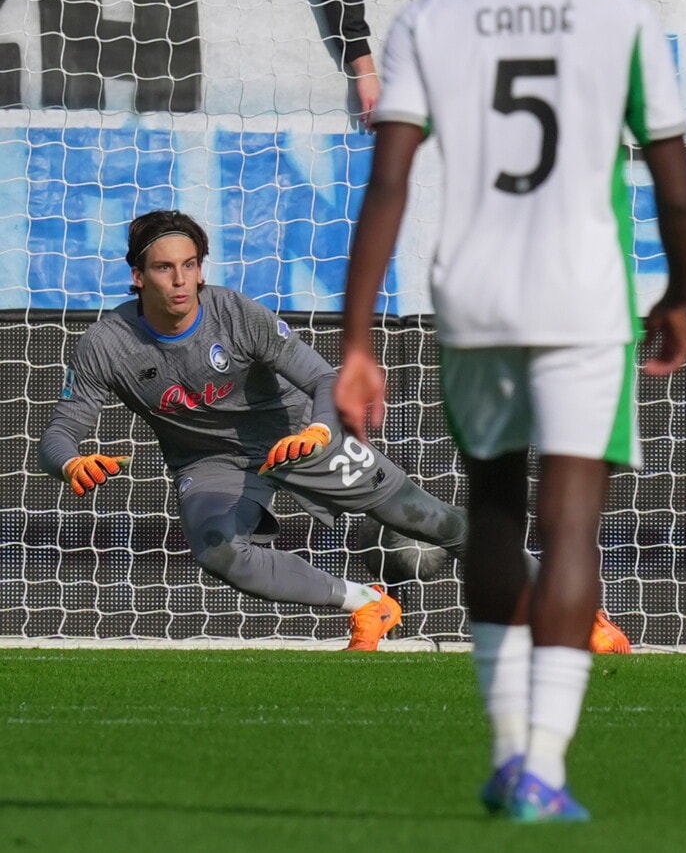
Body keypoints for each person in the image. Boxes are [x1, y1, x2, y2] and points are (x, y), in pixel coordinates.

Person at [337, 0, 686, 823]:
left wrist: (358, 340)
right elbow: (675, 188)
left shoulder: (431, 19)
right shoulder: (619, 18)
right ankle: (544, 761)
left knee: (494, 508)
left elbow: (389, 183)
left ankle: (505, 751)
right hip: (586, 294)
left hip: (478, 292)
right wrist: (678, 295)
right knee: (572, 521)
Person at [38, 211, 460, 652]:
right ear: (138, 277)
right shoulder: (106, 344)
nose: (180, 280)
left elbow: (324, 379)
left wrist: (318, 431)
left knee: (435, 522)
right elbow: (58, 434)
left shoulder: (236, 313)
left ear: (201, 269)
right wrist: (69, 464)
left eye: (189, 265)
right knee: (218, 551)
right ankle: (369, 604)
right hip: (209, 461)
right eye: (164, 267)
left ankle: (511, 583)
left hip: (297, 436)